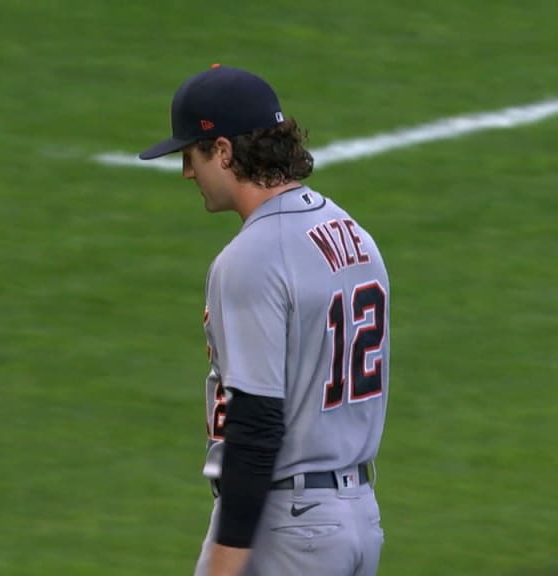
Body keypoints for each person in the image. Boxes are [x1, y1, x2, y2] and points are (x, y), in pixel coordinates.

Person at [139, 64, 390, 576]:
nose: (188, 172)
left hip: (287, 529)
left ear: (224, 151)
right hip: (358, 517)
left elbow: (255, 425)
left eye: (191, 154)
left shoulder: (252, 258)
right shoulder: (351, 233)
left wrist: (225, 561)